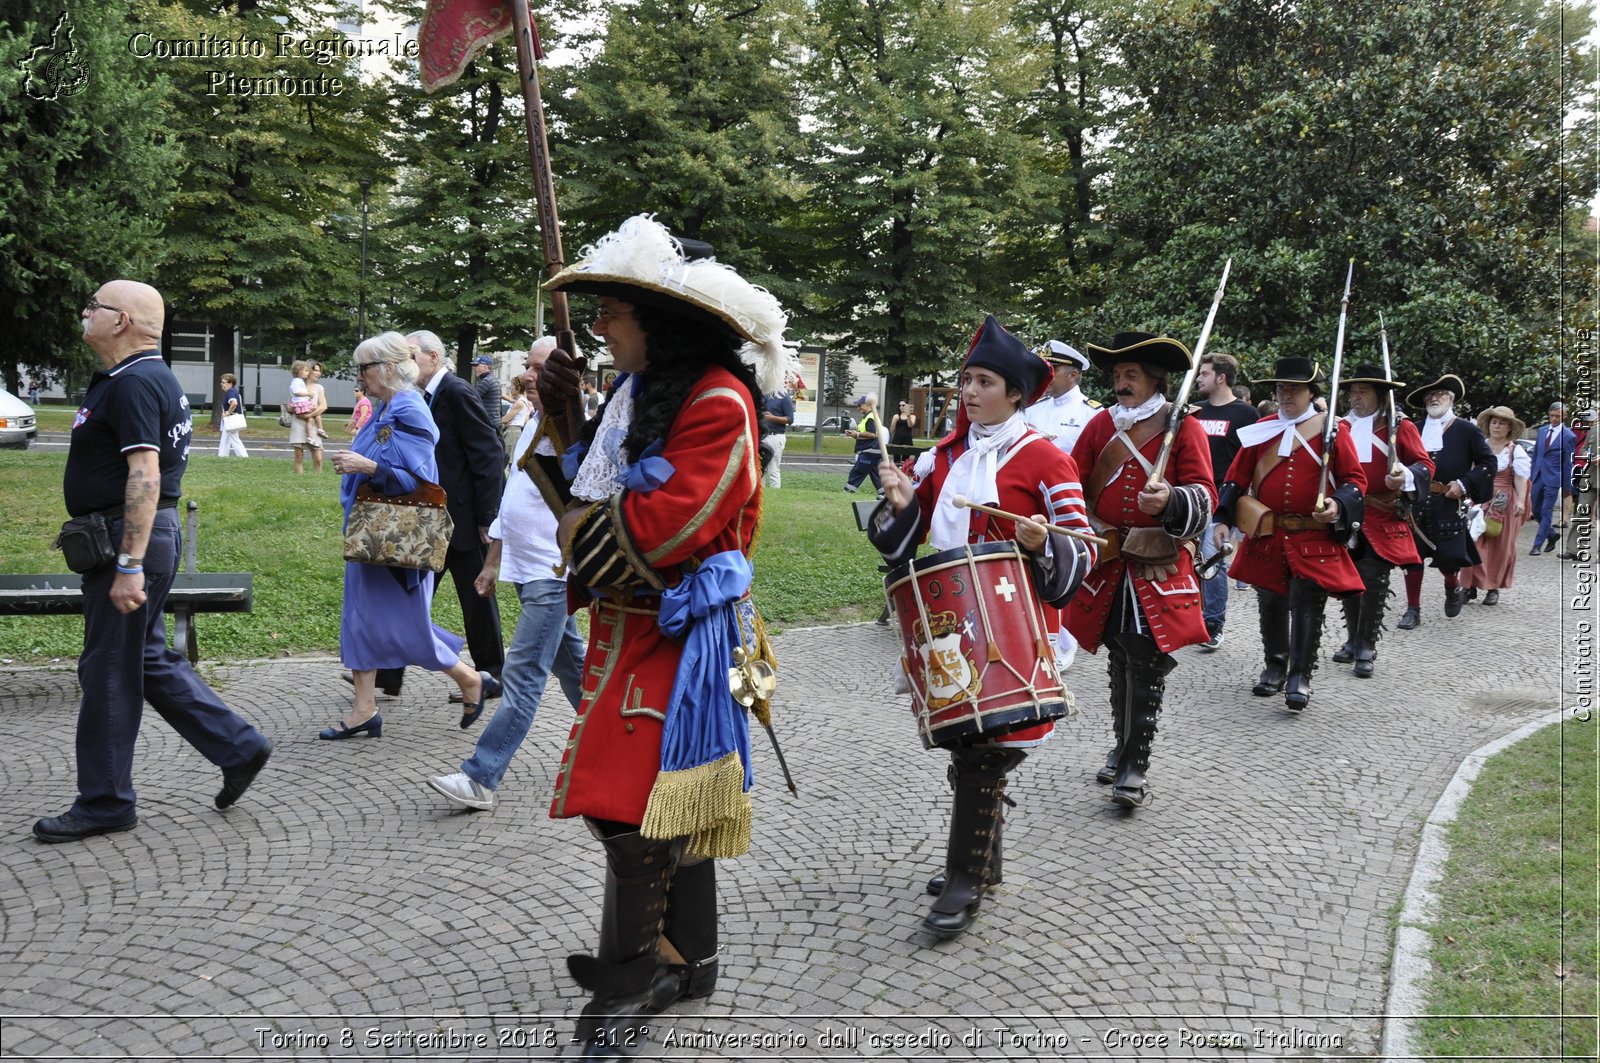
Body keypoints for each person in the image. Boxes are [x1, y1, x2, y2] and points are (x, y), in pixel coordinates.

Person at [534, 215, 794, 1056]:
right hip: (631, 627)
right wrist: (567, 417)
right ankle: (687, 957)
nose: (602, 327)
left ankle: (642, 968)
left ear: (660, 324)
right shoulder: (636, 392)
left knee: (634, 805)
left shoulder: (717, 399)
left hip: (681, 632)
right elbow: (587, 490)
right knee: (644, 803)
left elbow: (658, 529)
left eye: (613, 312)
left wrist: (580, 519)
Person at [870, 315, 1096, 936]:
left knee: (985, 751)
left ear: (1017, 393)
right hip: (947, 623)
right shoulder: (944, 455)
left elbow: (1082, 546)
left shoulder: (1047, 459)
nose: (969, 392)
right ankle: (982, 860)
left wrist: (1041, 543)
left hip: (1015, 623)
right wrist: (900, 504)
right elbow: (897, 543)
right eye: (966, 380)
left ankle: (965, 879)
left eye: (984, 382)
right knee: (968, 742)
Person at [33, 280, 273, 843]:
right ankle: (239, 745)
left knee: (108, 673)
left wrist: (128, 563)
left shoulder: (136, 381)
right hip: (138, 536)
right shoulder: (139, 377)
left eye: (93, 305)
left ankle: (106, 801)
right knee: (142, 656)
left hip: (129, 538)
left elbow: (146, 473)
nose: (85, 312)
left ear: (121, 322)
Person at [426, 338, 584, 810]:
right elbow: (514, 496)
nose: (529, 377)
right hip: (528, 568)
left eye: (541, 370)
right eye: (529, 369)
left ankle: (480, 778)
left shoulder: (574, 432)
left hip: (553, 574)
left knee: (523, 675)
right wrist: (494, 560)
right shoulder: (536, 420)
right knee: (572, 667)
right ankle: (627, 741)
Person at [323, 332, 502, 741]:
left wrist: (367, 468)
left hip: (394, 540)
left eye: (364, 368)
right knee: (359, 621)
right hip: (369, 536)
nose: (360, 376)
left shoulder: (409, 409)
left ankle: (470, 678)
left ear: (386, 368)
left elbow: (420, 481)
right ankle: (363, 710)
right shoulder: (386, 407)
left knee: (403, 628)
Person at [1066, 332, 1215, 806]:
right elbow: (1073, 482)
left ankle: (1134, 765)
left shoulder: (1183, 425)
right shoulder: (1099, 426)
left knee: (1146, 662)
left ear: (1155, 379)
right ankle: (1121, 747)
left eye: (1131, 375)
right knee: (1118, 656)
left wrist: (1171, 500)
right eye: (1116, 376)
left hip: (1159, 562)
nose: (1121, 384)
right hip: (1111, 560)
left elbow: (1206, 496)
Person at [1214, 356, 1365, 712]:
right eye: (1281, 388)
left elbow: (1354, 481)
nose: (1285, 395)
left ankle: (1300, 676)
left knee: (1308, 602)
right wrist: (1223, 517)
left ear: (1310, 392)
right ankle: (1275, 665)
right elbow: (1236, 478)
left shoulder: (1332, 431)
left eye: (1293, 389)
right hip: (1269, 532)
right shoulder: (1261, 429)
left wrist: (1338, 506)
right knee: (1270, 601)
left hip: (1312, 534)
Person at [362, 330, 507, 700]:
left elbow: (490, 452)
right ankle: (390, 674)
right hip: (432, 517)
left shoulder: (456, 391)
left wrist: (487, 517)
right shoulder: (418, 396)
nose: (406, 362)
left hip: (462, 519)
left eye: (411, 354)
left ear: (433, 357)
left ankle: (491, 675)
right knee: (408, 596)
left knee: (475, 598)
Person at [1328, 365, 1434, 678]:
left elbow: (1424, 464)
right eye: (1353, 391)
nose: (1355, 397)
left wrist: (1405, 475)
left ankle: (1366, 645)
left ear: (1378, 395)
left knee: (1372, 579)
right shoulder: (1339, 426)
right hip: (1348, 512)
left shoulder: (1398, 427)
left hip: (1382, 514)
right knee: (1349, 580)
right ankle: (1351, 639)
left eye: (1363, 391)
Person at [1395, 374, 1495, 628]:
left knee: (1449, 561)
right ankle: (1413, 609)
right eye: (1429, 396)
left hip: (1449, 503)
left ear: (1450, 399)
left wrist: (1463, 484)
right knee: (1412, 558)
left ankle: (1452, 587)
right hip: (1416, 501)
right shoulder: (1413, 429)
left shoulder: (1466, 429)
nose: (1433, 398)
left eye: (1439, 394)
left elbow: (1487, 463)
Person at [1189, 350, 1258, 651]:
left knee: (1211, 557)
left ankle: (1213, 623)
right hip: (1191, 496)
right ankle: (1191, 620)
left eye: (1204, 373)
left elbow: (1253, 461)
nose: (1199, 379)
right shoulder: (1194, 411)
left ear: (1221, 377)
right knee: (1188, 560)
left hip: (1224, 499)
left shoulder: (1245, 414)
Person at [1461, 406, 1531, 604]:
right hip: (1478, 498)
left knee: (1500, 547)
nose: (1497, 426)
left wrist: (1520, 500)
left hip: (1503, 502)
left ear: (1509, 427)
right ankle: (1468, 586)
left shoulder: (1515, 451)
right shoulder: (1479, 446)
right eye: (1494, 422)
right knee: (1472, 542)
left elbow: (1521, 478)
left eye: (1502, 423)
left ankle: (1493, 588)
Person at [1023, 340, 1099, 455]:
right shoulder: (1032, 408)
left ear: (1072, 375)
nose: (1044, 376)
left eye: (1051, 370)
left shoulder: (1092, 414)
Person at [1529, 401, 1576, 555]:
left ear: (1565, 416)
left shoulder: (1569, 436)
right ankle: (1552, 534)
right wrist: (1531, 474)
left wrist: (1567, 487)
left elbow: (1568, 463)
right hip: (1538, 476)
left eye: (1558, 416)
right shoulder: (1542, 431)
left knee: (1546, 511)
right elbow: (1536, 455)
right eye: (1552, 416)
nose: (1554, 419)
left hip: (1554, 479)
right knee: (1535, 509)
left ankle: (1537, 545)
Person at [287, 360, 325, 474]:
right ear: (307, 371)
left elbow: (323, 406)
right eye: (316, 370)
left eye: (319, 371)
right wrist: (296, 410)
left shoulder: (319, 388)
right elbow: (289, 406)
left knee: (318, 458)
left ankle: (317, 479)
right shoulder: (297, 385)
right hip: (299, 422)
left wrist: (309, 415)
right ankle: (300, 479)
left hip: (312, 422)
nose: (318, 373)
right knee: (299, 456)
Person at [843, 394, 882, 493]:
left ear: (867, 405)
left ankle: (848, 491)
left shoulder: (870, 417)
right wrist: (855, 435)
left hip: (869, 450)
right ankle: (884, 493)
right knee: (876, 474)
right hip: (874, 450)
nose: (857, 408)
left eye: (859, 405)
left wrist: (857, 434)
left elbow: (873, 434)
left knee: (858, 471)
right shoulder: (870, 416)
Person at [759, 386, 795, 487]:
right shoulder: (762, 396)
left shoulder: (783, 397)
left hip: (775, 436)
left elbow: (790, 419)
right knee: (760, 468)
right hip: (762, 436)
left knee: (773, 468)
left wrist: (772, 418)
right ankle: (762, 491)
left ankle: (775, 491)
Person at [500, 372, 533, 457]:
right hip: (515, 431)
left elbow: (504, 419)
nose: (510, 388)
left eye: (512, 385)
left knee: (506, 459)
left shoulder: (519, 402)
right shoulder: (522, 401)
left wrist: (502, 421)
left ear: (518, 388)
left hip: (512, 432)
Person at [217, 372, 248, 458]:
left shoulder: (230, 392)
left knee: (234, 439)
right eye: (221, 382)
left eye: (224, 383)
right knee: (225, 439)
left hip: (231, 419)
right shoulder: (235, 391)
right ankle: (222, 457)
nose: (222, 384)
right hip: (233, 419)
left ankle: (244, 457)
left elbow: (234, 403)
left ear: (230, 383)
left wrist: (227, 413)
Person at [472, 353, 505, 425]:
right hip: (493, 422)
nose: (474, 368)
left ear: (485, 367)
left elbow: (471, 398)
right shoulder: (491, 379)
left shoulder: (486, 381)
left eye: (477, 365)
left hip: (488, 422)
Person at [887, 399, 919, 464]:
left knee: (906, 461)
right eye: (900, 405)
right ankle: (896, 472)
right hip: (897, 440)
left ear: (907, 406)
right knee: (896, 460)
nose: (901, 407)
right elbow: (891, 430)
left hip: (907, 440)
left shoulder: (912, 416)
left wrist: (908, 416)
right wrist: (894, 421)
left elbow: (910, 425)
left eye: (903, 405)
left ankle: (904, 472)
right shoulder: (896, 416)